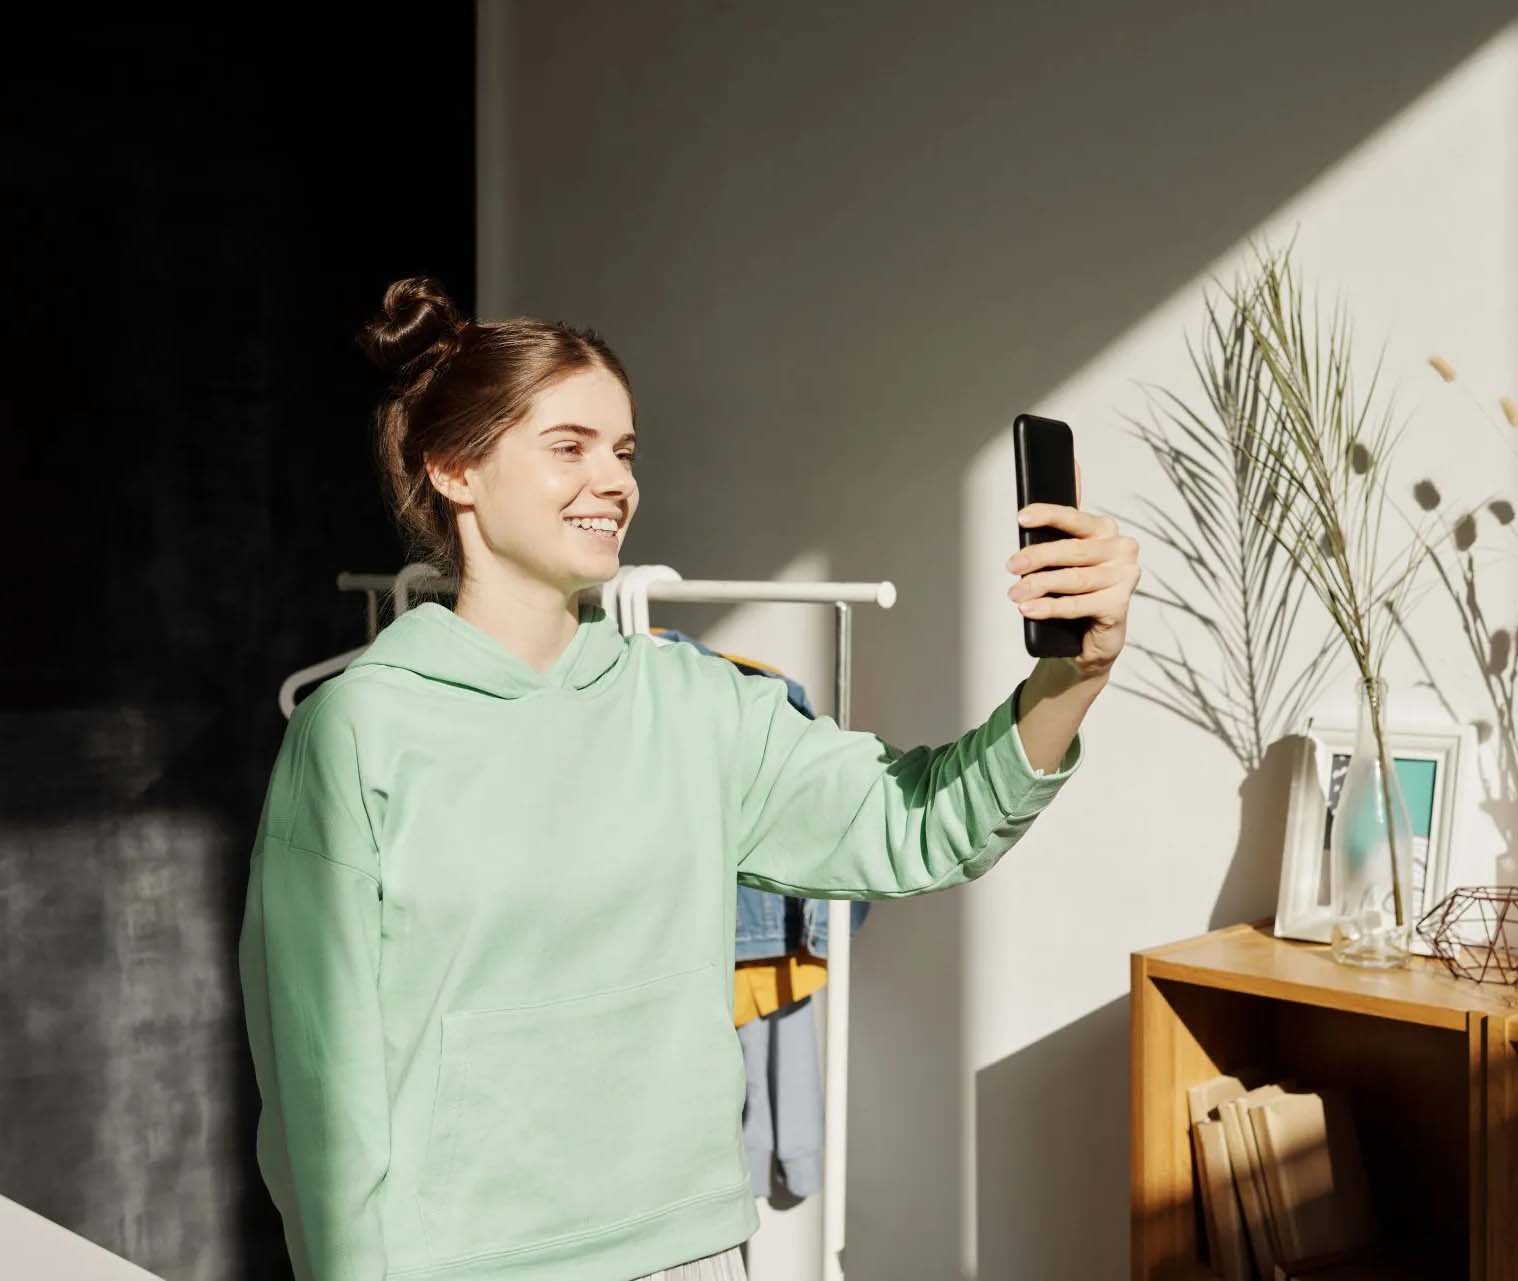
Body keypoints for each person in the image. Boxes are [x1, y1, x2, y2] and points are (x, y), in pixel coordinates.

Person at [236, 276, 1139, 1281]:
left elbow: (921, 825)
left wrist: (1075, 676)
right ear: (454, 470)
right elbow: (319, 1093)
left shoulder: (701, 707)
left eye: (624, 452)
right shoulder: (359, 730)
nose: (613, 480)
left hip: (692, 1249)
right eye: (568, 446)